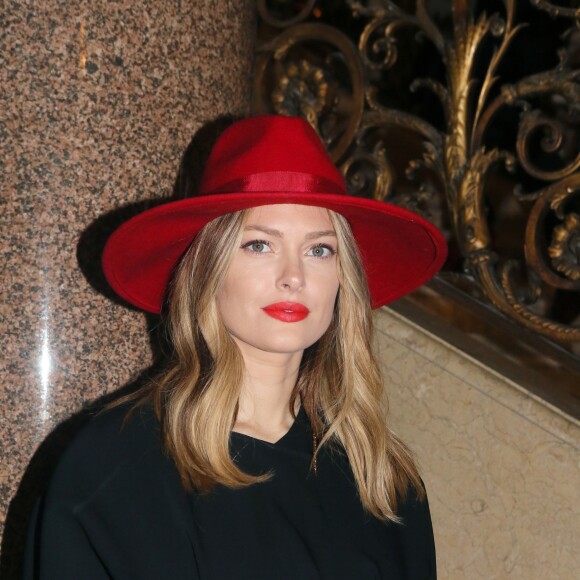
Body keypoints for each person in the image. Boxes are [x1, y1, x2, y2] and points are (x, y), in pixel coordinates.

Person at [24, 115, 447, 579]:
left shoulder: (384, 483)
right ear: (208, 268)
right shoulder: (114, 467)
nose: (293, 275)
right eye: (259, 245)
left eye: (319, 250)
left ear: (344, 279)